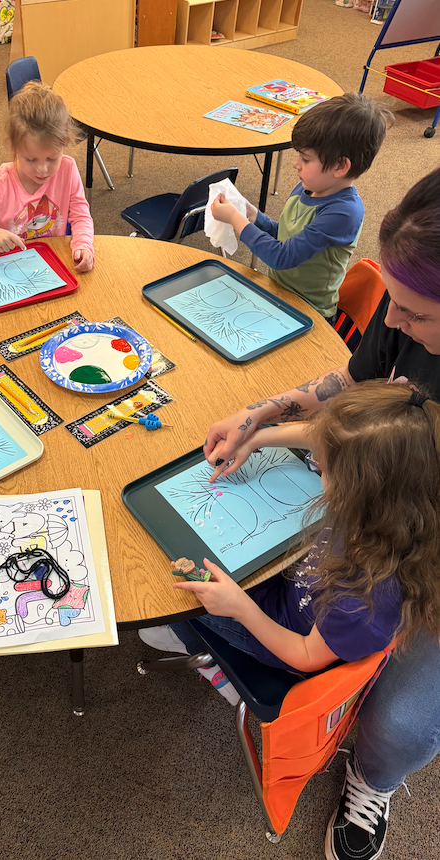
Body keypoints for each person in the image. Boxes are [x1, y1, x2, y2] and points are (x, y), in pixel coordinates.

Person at [167, 165, 440, 860]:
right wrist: (260, 422)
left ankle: (371, 777)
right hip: (370, 539)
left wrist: (240, 607)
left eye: (414, 314)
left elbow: (312, 648)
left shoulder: (367, 586)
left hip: (378, 578)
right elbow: (346, 401)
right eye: (393, 304)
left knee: (398, 726)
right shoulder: (377, 491)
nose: (393, 322)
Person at [141, 380, 440, 693]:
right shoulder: (396, 509)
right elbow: (331, 440)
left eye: (323, 469)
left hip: (278, 634)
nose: (317, 466)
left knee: (169, 592)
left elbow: (306, 655)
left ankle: (207, 661)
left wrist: (239, 607)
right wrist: (257, 437)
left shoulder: (365, 602)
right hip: (288, 592)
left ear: (360, 491)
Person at [210, 93, 392, 322]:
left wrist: (236, 220)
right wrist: (253, 216)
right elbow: (287, 236)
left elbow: (282, 257)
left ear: (340, 166)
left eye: (306, 159)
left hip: (310, 313)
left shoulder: (344, 213)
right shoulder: (308, 186)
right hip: (280, 294)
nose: (296, 164)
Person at [0, 80, 95, 273]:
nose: (42, 169)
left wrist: (83, 245)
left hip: (51, 263)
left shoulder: (68, 169)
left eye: (52, 158)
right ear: (13, 147)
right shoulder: (1, 181)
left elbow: (81, 216)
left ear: (64, 144)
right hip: (12, 267)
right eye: (31, 160)